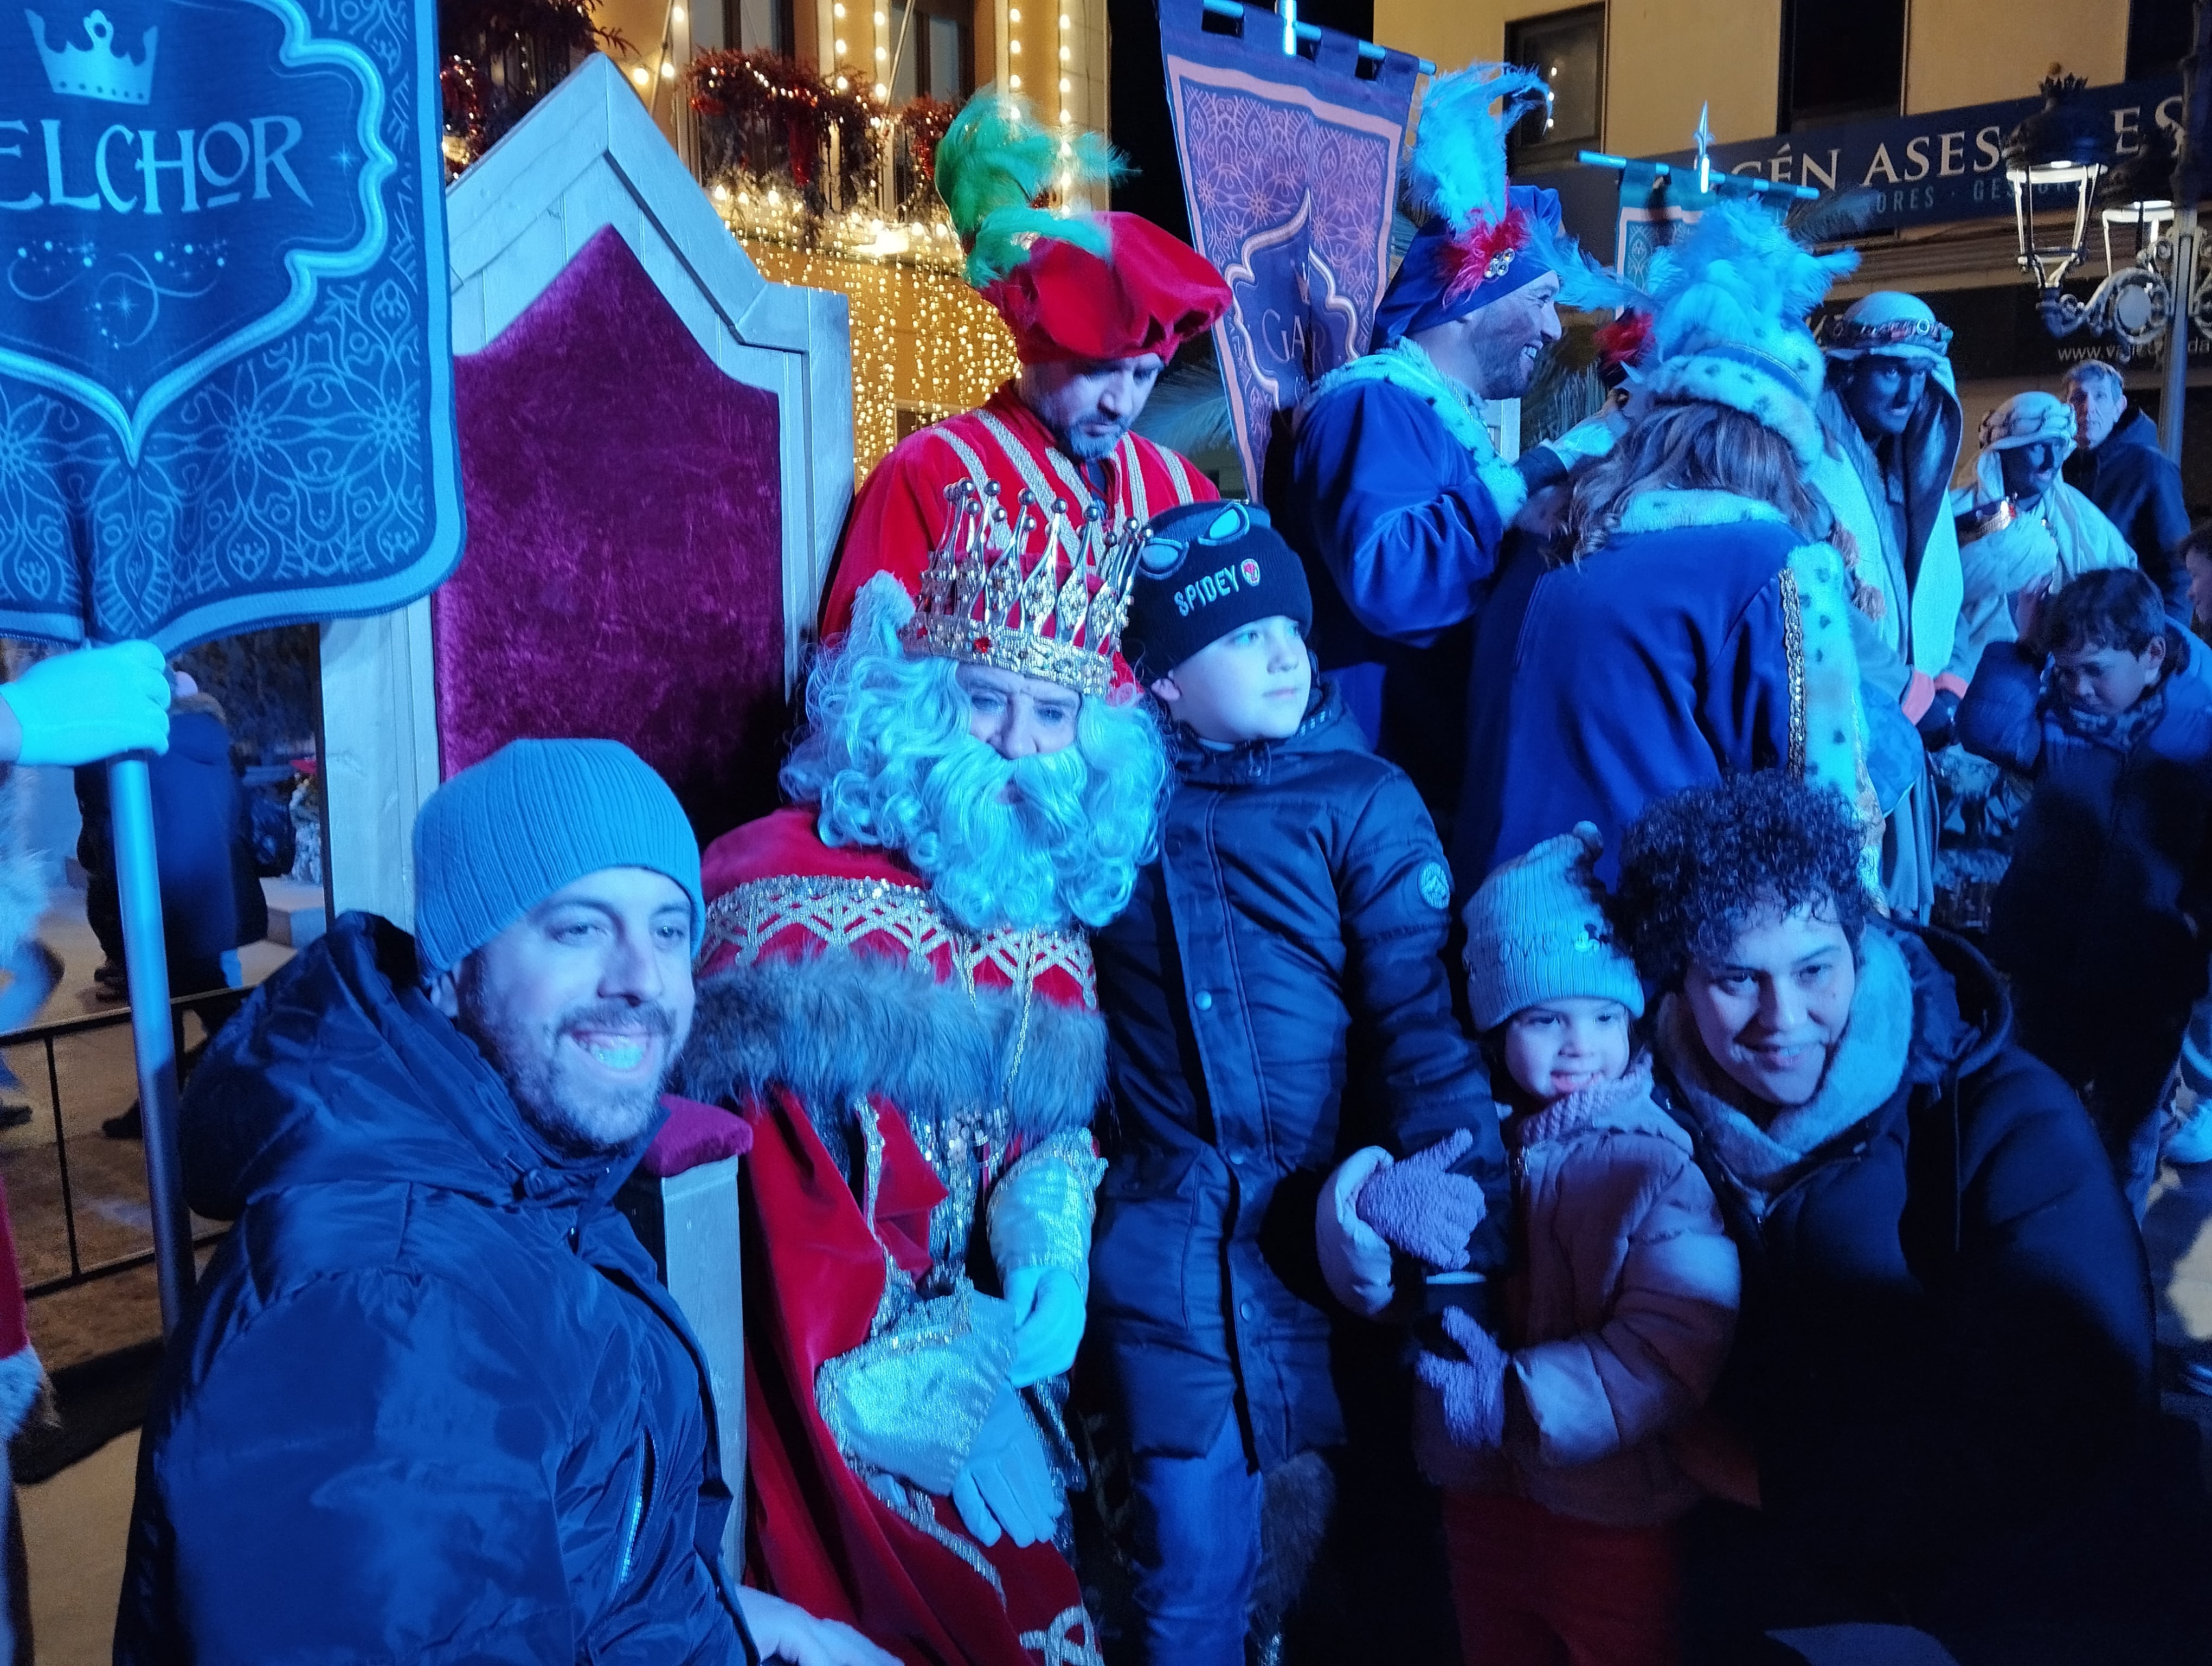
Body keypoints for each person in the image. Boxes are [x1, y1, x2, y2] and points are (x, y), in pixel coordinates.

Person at [115, 739, 889, 1665]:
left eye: (670, 929)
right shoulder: (376, 1314)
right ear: (449, 970)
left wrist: (749, 1621)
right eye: (579, 928)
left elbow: (577, 1566)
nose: (641, 978)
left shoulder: (529, 1179)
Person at [678, 491, 1168, 1663]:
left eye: (1051, 715)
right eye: (983, 700)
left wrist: (1050, 1241)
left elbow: (1040, 1133)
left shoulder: (1044, 913)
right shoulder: (771, 893)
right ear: (915, 702)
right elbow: (769, 1205)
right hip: (822, 1378)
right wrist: (941, 1381)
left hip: (989, 1350)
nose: (1011, 744)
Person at [1615, 771, 2189, 1661]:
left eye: (1814, 969)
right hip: (1723, 1588)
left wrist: (1773, 1478)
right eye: (1736, 977)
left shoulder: (2009, 1122)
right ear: (1681, 980)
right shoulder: (1637, 1118)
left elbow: (2074, 1413)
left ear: (1859, 944)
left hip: (1975, 1604)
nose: (1783, 1018)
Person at [1081, 501, 1509, 1664]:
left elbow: (1423, 1032)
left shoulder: (1359, 802)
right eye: (1240, 636)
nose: (1282, 652)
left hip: (1332, 1233)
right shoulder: (1113, 810)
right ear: (1161, 678)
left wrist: (1466, 1251)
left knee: (1364, 1566)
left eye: (1290, 627)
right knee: (1190, 1575)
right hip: (1164, 1249)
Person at [1390, 823, 1738, 1666]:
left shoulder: (1653, 1162)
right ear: (1498, 1024)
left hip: (1611, 1510)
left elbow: (1670, 1344)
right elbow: (1407, 1305)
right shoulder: (1467, 1142)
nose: (1579, 1042)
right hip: (1481, 1497)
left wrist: (1519, 1397)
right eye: (1545, 1017)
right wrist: (1375, 1211)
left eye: (1602, 1015)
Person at [1461, 203, 1875, 888]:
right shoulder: (1769, 561)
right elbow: (1829, 815)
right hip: (1643, 948)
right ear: (1780, 451)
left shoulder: (1541, 537)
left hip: (1496, 941)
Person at [1279, 61, 1622, 826]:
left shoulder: (1430, 415)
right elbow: (1392, 575)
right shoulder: (1372, 403)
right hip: (1377, 799)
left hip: (1417, 791)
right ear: (1470, 299)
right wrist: (1548, 466)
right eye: (1538, 302)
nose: (1550, 329)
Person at [819, 88, 1230, 645]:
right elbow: (867, 685)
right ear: (1039, 348)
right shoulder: (928, 474)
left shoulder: (1185, 491)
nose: (1121, 403)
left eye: (1143, 375)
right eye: (1097, 370)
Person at [1954, 568, 2212, 1218]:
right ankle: (2028, 1231)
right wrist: (2024, 651)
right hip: (2051, 961)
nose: (2077, 687)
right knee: (2032, 1104)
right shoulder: (2058, 719)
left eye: (2095, 670)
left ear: (2153, 657)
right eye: (2064, 671)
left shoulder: (2199, 731)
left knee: (2128, 1126)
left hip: (2151, 973)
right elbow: (1984, 729)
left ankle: (2113, 1247)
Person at [1808, 292, 1966, 921]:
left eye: (1922, 373)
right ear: (1847, 368)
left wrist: (1948, 680)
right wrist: (1911, 693)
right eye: (1891, 369)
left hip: (1909, 720)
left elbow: (1944, 593)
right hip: (1846, 722)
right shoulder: (1812, 463)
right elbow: (1818, 602)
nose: (1909, 392)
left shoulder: (1905, 466)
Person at [86, 676, 269, 1139]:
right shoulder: (214, 747)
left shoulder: (151, 753)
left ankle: (260, 1088)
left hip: (171, 909)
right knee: (191, 1011)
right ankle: (160, 1110)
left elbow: (120, 831)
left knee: (196, 1015)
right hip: (208, 901)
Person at [1947, 390, 2134, 682]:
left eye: (2058, 447)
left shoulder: (2084, 520)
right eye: (2037, 447)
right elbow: (1932, 592)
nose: (2051, 461)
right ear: (2005, 451)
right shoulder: (1958, 512)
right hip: (1965, 676)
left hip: (2059, 681)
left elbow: (2124, 591)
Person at [2064, 361, 2190, 620]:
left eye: (2100, 396)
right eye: (2078, 398)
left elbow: (2177, 569)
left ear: (2118, 407)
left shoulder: (2150, 467)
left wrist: (2170, 643)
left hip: (2128, 631)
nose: (2088, 409)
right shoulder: (2056, 468)